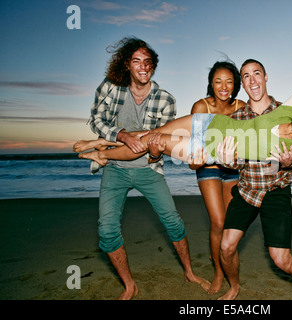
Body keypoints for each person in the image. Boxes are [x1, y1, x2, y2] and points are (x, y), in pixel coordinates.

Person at [75, 36, 292, 299]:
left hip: (229, 160)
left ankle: (103, 152)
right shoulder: (290, 108)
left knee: (158, 144)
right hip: (210, 126)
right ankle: (102, 147)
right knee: (153, 136)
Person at [74, 37, 210, 300]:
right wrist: (122, 135)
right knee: (107, 229)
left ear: (153, 67)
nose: (143, 67)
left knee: (173, 222)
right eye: (136, 61)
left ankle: (189, 272)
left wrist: (155, 152)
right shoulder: (111, 88)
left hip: (150, 170)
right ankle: (129, 285)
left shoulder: (166, 99)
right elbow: (96, 119)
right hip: (115, 168)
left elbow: (159, 142)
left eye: (148, 62)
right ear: (127, 64)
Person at [188, 60, 246, 294]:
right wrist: (201, 157)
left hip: (233, 169)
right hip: (209, 167)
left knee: (230, 225)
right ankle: (219, 273)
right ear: (211, 83)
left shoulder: (242, 106)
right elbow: (194, 156)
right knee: (218, 222)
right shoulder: (201, 107)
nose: (223, 86)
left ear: (235, 85)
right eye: (218, 81)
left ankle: (228, 266)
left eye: (229, 81)